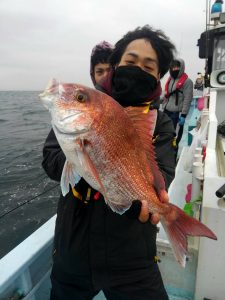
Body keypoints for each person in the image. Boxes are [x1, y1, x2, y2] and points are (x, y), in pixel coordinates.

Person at [42, 25, 176, 300]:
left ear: (158, 76)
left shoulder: (159, 121)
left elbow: (163, 172)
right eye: (130, 61)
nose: (138, 68)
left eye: (149, 66)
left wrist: (148, 197)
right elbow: (51, 161)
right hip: (73, 249)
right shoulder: (89, 108)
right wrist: (81, 155)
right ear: (115, 65)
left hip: (133, 255)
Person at [163, 58, 193, 145]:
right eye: (173, 67)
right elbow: (166, 94)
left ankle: (173, 155)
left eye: (177, 67)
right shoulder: (170, 80)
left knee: (174, 138)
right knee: (164, 135)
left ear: (181, 67)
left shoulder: (187, 82)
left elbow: (187, 99)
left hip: (177, 114)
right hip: (166, 111)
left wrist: (183, 115)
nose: (174, 69)